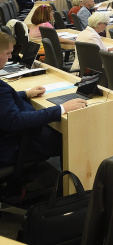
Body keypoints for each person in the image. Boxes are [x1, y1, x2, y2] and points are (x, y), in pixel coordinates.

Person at [0, 32, 86, 168]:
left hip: (9, 139)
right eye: (8, 53)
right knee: (74, 136)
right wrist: (61, 108)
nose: (10, 57)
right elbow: (15, 121)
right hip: (13, 146)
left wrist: (25, 93)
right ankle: (69, 186)